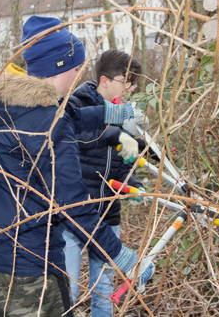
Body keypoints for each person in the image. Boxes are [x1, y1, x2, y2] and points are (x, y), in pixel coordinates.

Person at [0, 15, 153, 317]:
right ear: (60, 67)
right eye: (77, 67)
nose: (80, 74)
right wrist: (121, 255)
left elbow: (72, 116)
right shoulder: (48, 123)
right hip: (28, 271)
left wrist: (114, 114)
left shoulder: (11, 103)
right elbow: (72, 204)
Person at [63, 50, 146, 317]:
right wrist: (114, 133)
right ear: (105, 80)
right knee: (69, 291)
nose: (131, 88)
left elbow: (119, 165)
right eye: (126, 81)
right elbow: (78, 133)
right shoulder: (76, 103)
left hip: (108, 214)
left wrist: (132, 183)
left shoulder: (123, 113)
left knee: (103, 288)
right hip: (75, 216)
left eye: (134, 84)